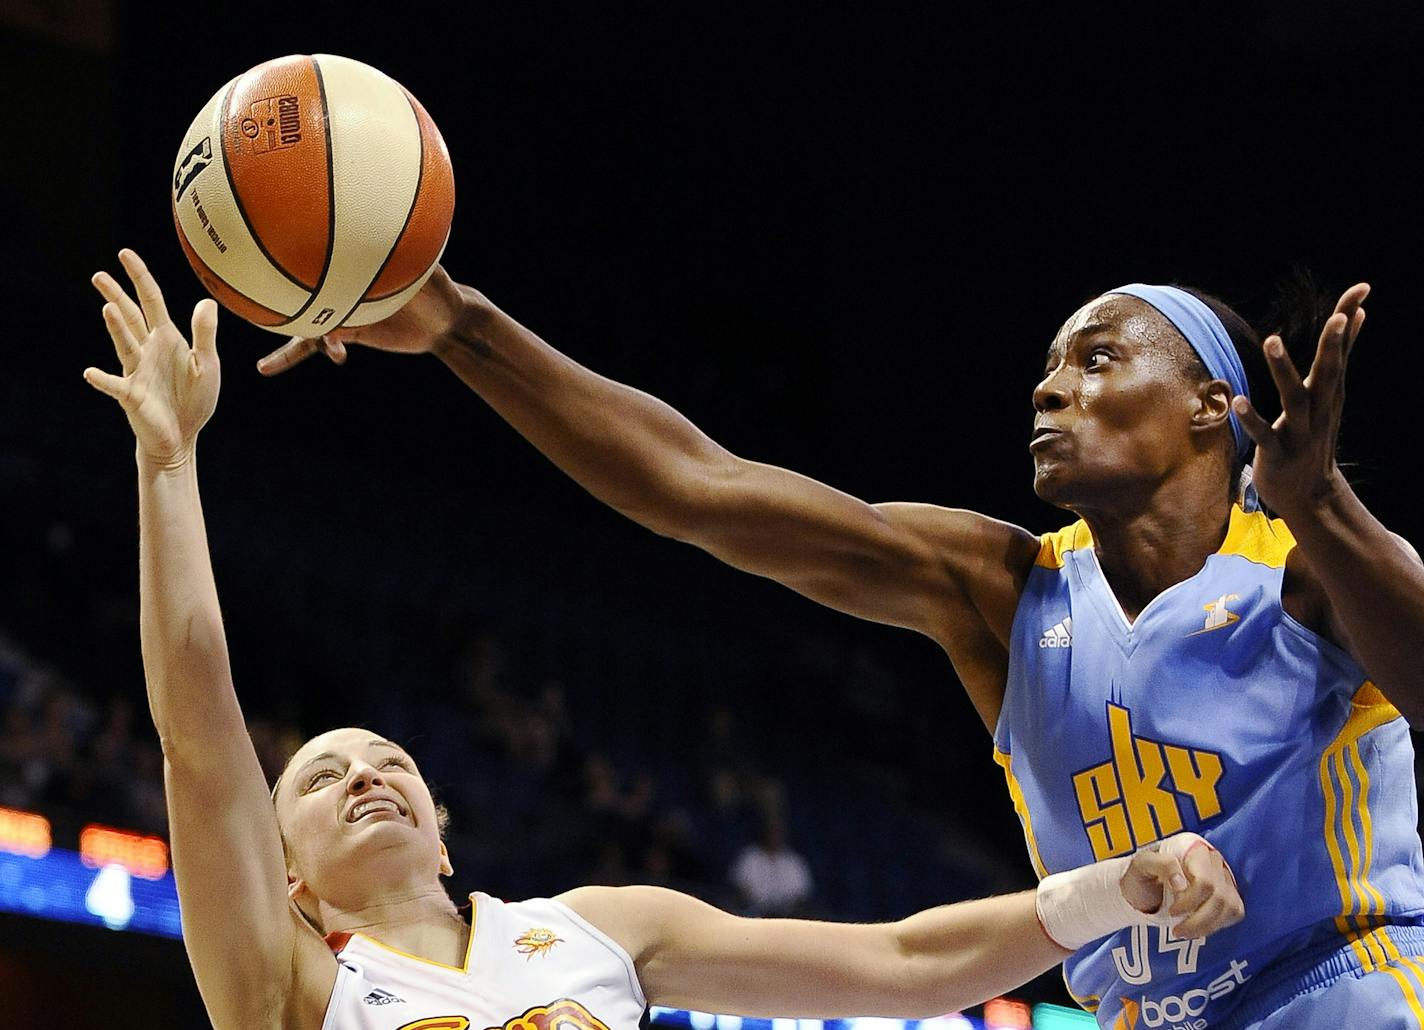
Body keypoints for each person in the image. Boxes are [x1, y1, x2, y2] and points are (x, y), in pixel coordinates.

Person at [83, 250, 1243, 1030]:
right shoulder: (289, 983)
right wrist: (168, 465)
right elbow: (199, 735)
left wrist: (1113, 889)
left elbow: (896, 966)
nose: (365, 773)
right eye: (321, 776)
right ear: (283, 871)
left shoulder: (594, 929)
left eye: (388, 760)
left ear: (444, 833)